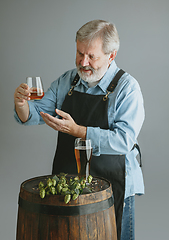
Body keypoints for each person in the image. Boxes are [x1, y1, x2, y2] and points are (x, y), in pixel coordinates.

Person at [14, 20, 145, 240]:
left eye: (91, 56)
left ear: (111, 56)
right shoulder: (68, 81)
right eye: (79, 52)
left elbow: (124, 140)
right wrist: (22, 105)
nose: (83, 62)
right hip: (69, 184)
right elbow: (37, 114)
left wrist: (79, 131)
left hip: (115, 184)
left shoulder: (127, 88)